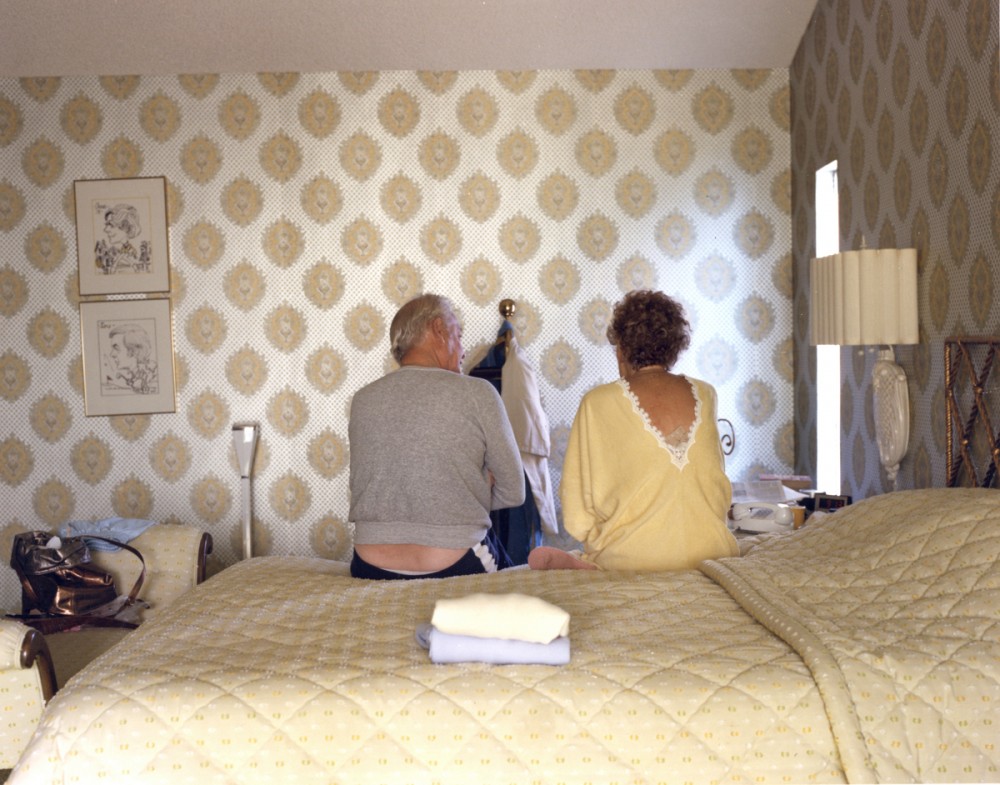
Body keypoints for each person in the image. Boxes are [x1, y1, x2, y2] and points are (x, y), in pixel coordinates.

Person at [529, 289, 738, 572]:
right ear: (674, 348)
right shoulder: (706, 393)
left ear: (621, 350)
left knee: (602, 550)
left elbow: (578, 513)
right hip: (714, 554)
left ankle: (593, 566)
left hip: (633, 560)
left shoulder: (598, 402)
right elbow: (718, 491)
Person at [348, 293, 525, 580]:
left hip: (369, 566)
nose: (465, 351)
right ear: (439, 329)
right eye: (458, 334)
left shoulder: (362, 400)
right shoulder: (478, 393)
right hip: (455, 560)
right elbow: (514, 491)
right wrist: (462, 491)